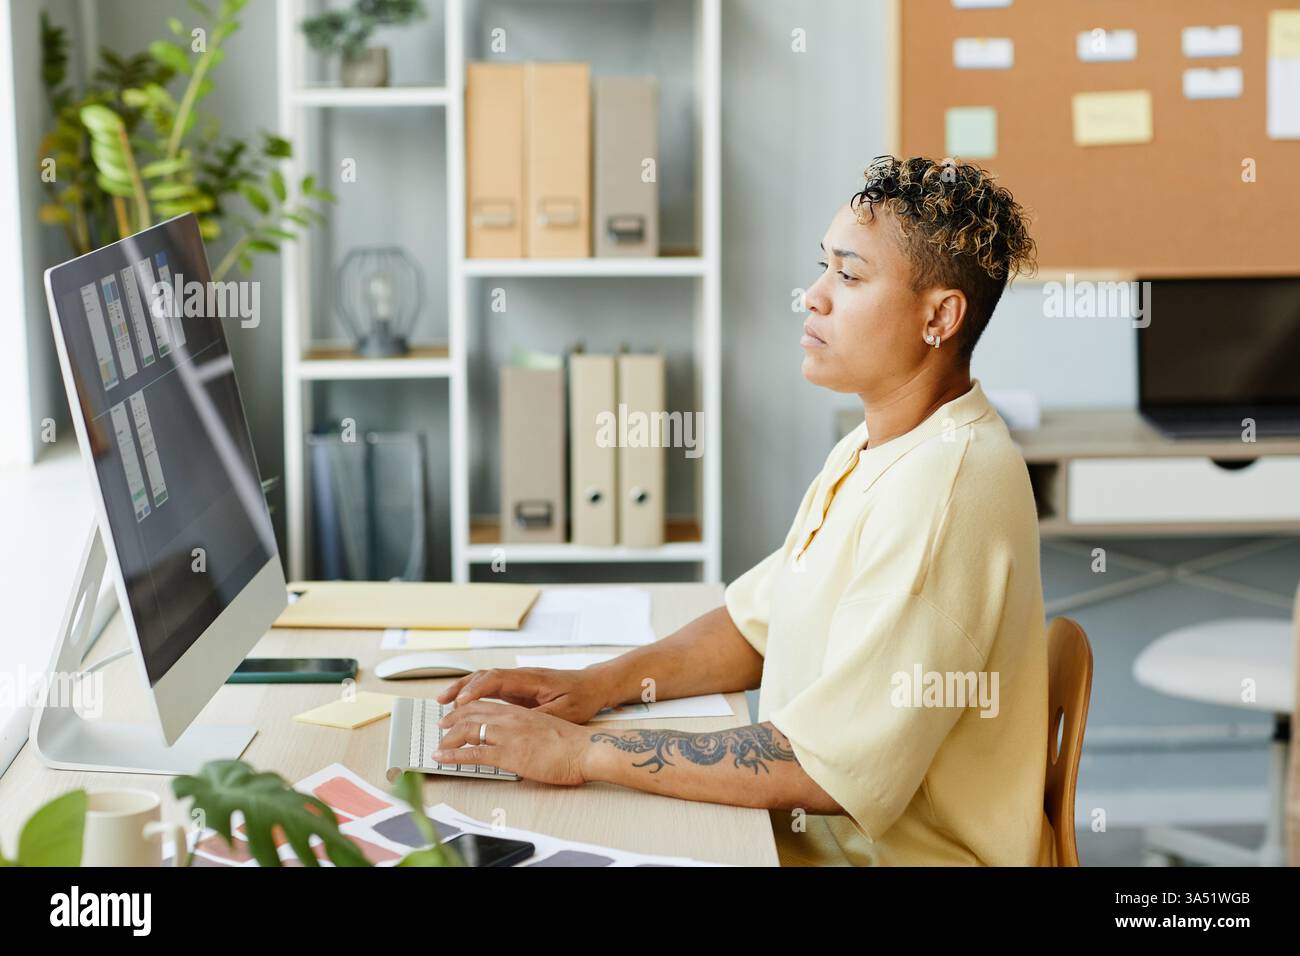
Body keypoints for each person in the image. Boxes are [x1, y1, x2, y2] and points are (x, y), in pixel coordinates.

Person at [436, 155, 1054, 866]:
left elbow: (819, 766)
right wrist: (591, 688)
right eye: (822, 268)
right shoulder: (879, 443)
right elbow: (756, 625)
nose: (813, 297)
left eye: (848, 277)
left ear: (939, 316)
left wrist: (580, 752)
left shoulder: (943, 491)